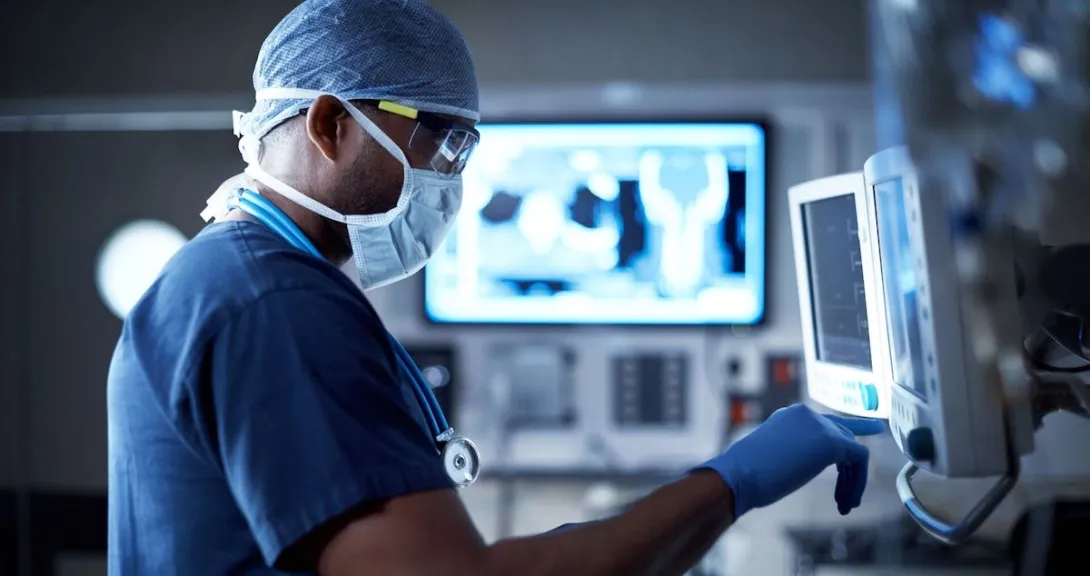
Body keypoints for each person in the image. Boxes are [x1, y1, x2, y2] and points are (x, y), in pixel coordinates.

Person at [105, 0, 887, 574]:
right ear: (329, 125)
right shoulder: (275, 306)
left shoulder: (231, 278)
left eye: (467, 149)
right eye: (441, 143)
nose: (454, 180)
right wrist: (735, 481)